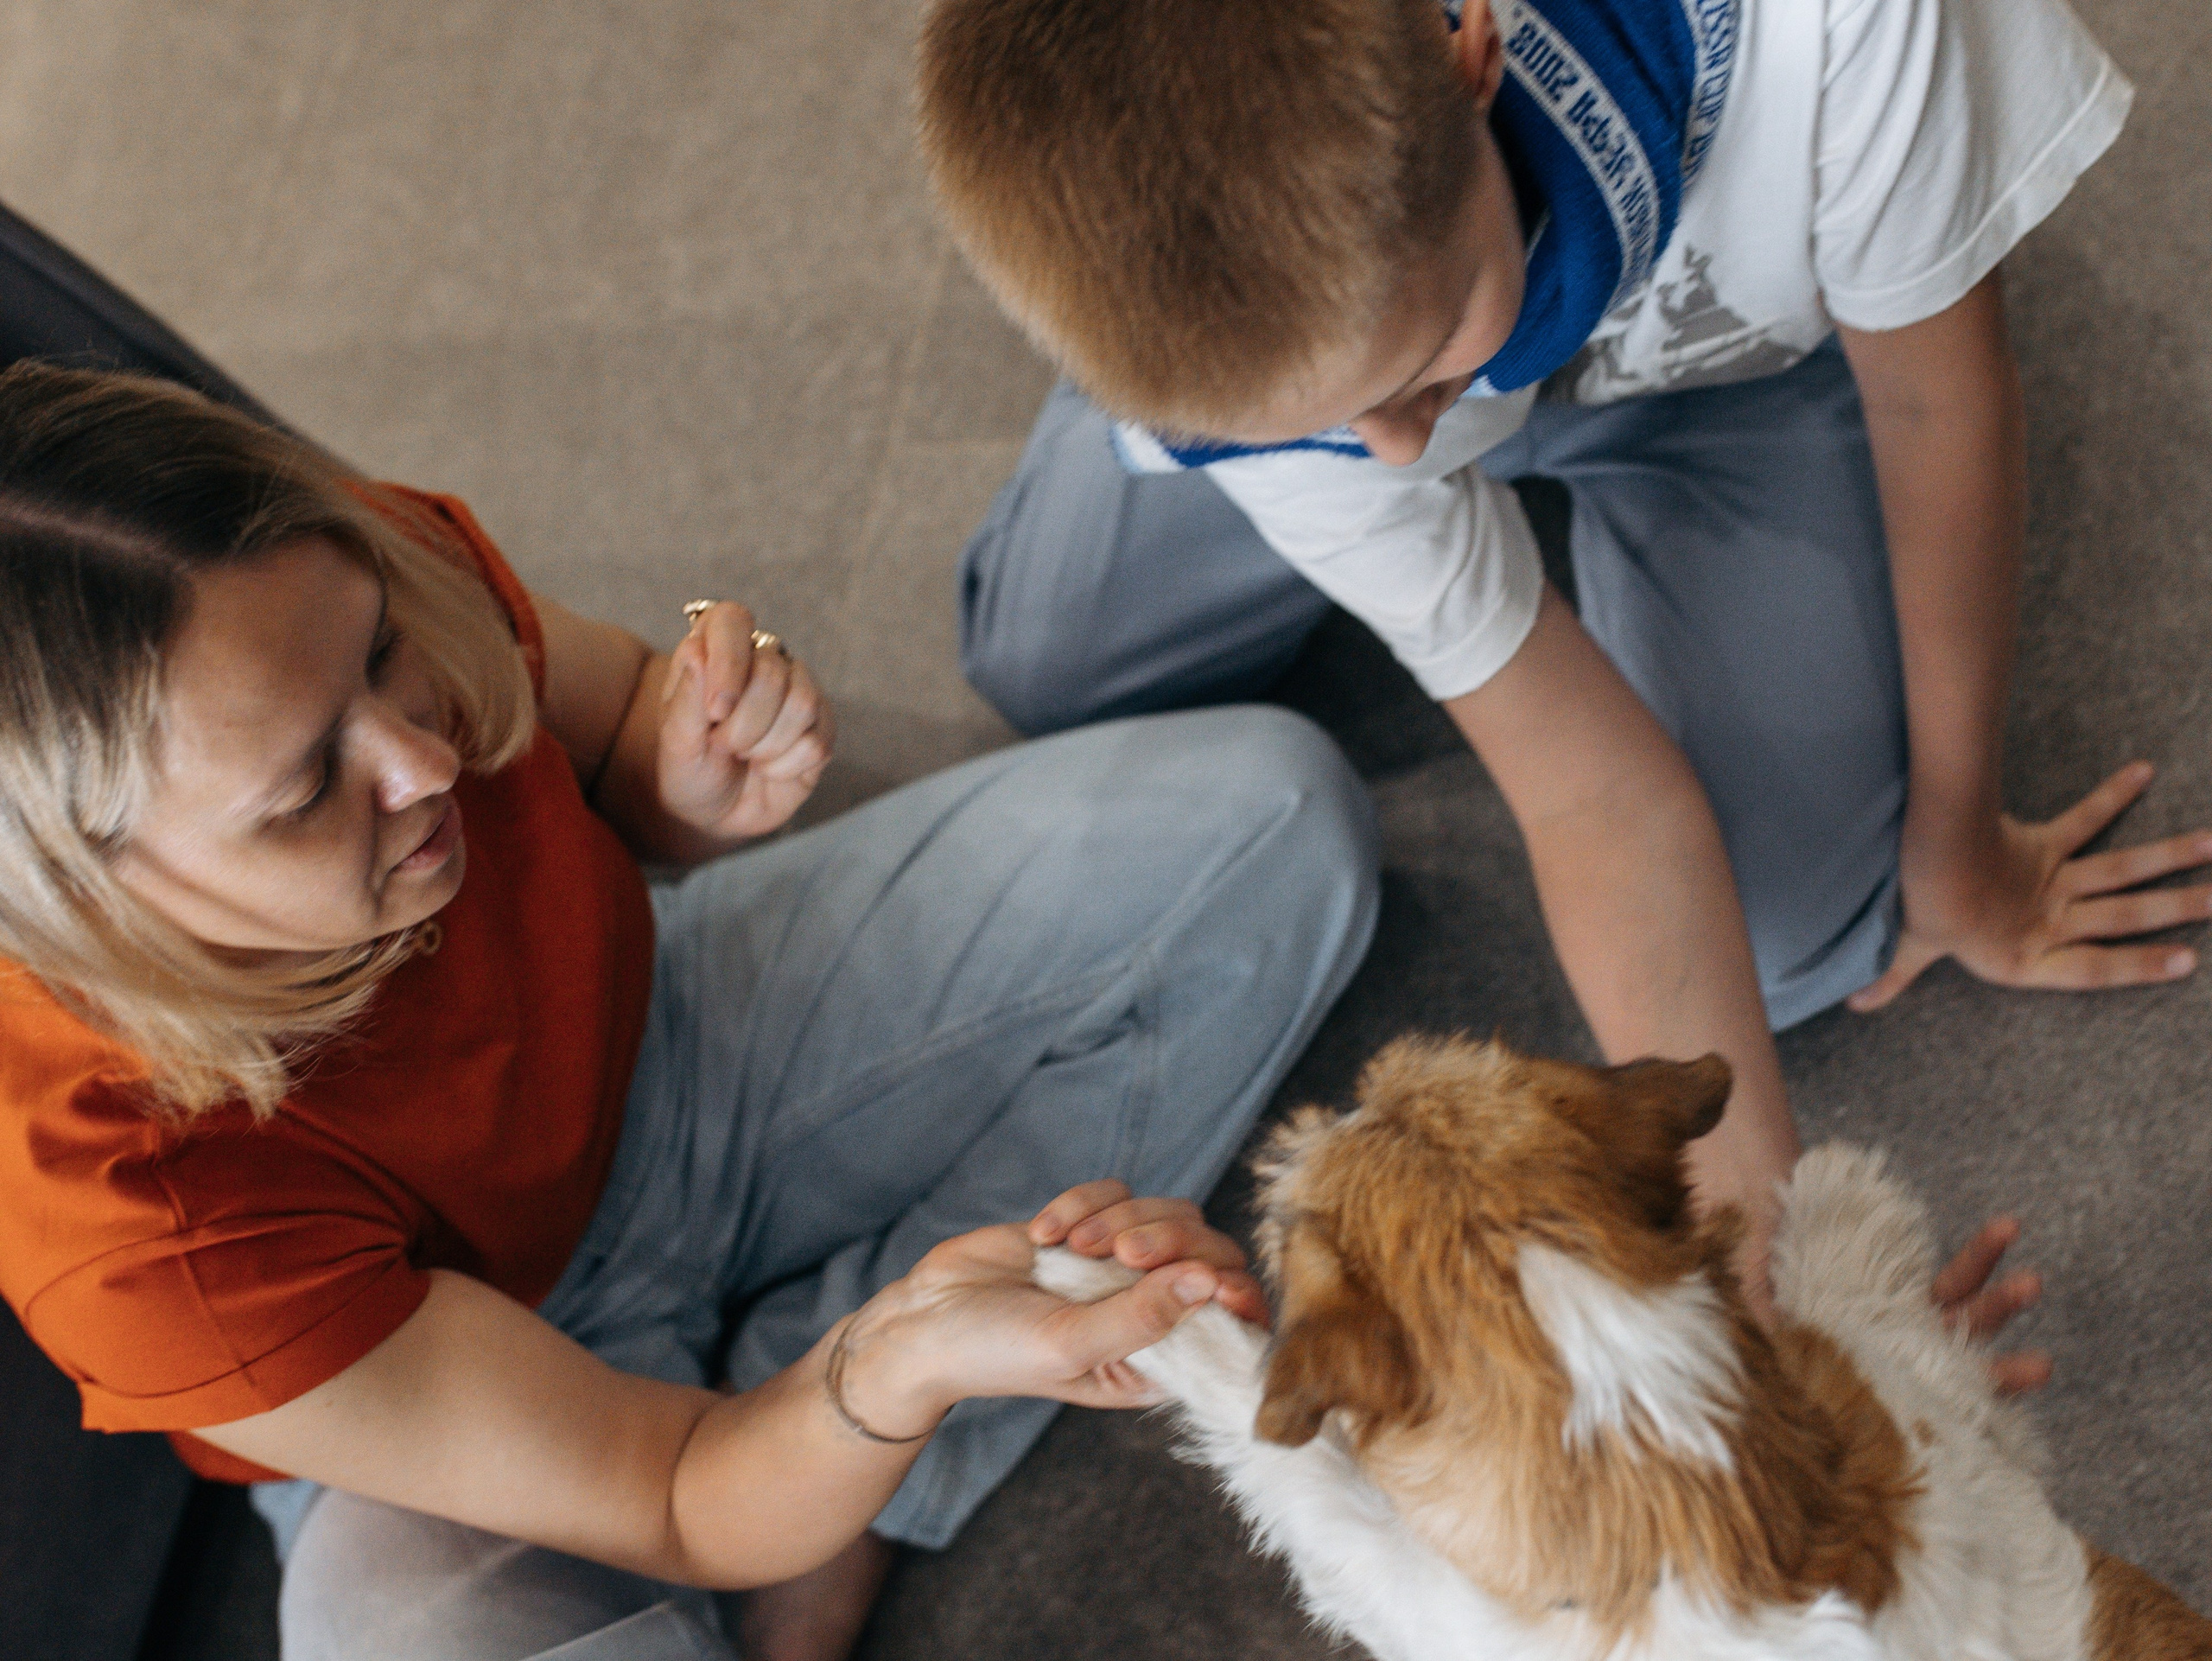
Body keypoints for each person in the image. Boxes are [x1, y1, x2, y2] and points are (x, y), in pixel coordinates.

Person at [0, 360, 1382, 1661]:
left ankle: (848, 1455)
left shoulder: (305, 586)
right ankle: (848, 1426)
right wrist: (887, 1378)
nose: (424, 758)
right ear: (91, 902)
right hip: (447, 1368)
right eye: (306, 787)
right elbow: (666, 1489)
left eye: (381, 654)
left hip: (674, 1050)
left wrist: (695, 773)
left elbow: (616, 740)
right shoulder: (111, 1210)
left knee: (1277, 818)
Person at [915, 0, 2212, 1295]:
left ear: (1467, 49)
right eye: (1337, 416)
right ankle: (1282, 328)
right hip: (1333, 315)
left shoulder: (1840, 23)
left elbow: (1937, 401)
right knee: (1046, 663)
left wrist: (1961, 843)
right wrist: (1778, 1316)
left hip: (1716, 355)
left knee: (1797, 930)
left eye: (1423, 371)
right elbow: (1584, 785)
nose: (1410, 455)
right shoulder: (1334, 394)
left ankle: (1397, 341)